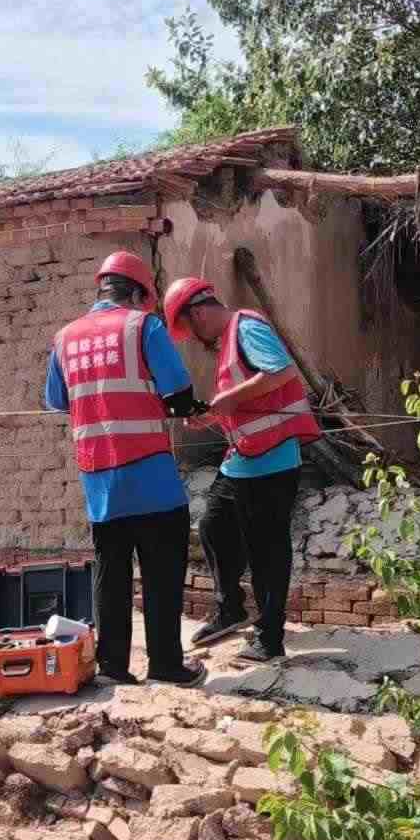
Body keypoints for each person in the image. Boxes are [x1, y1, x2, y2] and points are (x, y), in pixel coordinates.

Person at [45, 251, 206, 687]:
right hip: (151, 476)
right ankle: (166, 665)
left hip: (99, 482)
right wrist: (188, 409)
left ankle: (114, 666)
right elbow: (178, 391)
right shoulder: (143, 326)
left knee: (110, 574)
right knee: (162, 574)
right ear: (137, 293)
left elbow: (57, 400)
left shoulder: (65, 337)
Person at [162, 277, 320, 663]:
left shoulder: (247, 326)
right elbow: (246, 402)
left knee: (267, 550)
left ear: (198, 313)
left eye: (190, 329)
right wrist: (212, 415)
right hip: (244, 459)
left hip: (273, 460)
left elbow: (281, 371)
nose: (195, 338)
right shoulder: (231, 339)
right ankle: (230, 608)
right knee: (214, 527)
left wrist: (228, 399)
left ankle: (269, 637)